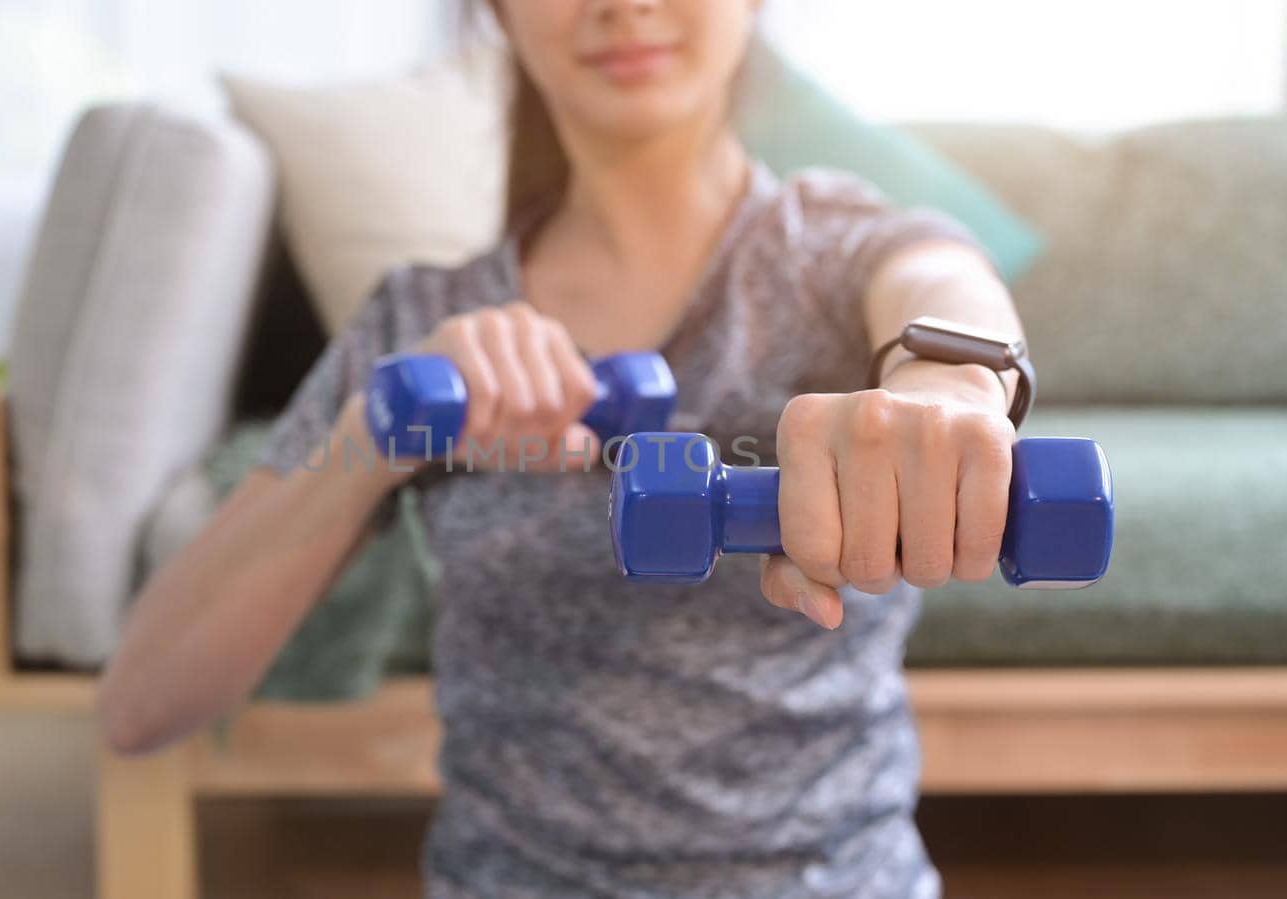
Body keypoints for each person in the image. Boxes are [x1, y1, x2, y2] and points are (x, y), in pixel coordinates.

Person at [98, 1, 1028, 896]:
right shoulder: (425, 325)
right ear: (498, 10)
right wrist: (374, 436)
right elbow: (141, 703)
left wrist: (947, 385)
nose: (624, 5)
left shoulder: (840, 255)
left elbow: (942, 281)